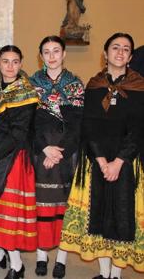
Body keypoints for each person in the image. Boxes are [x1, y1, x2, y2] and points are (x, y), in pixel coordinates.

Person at [60, 33, 144, 279]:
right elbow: (88, 126)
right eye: (115, 47)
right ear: (105, 54)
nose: (120, 52)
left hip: (127, 159)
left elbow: (139, 128)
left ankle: (116, 275)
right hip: (96, 159)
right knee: (98, 215)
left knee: (121, 215)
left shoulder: (140, 86)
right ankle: (104, 272)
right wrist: (100, 160)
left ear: (130, 57)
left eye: (126, 49)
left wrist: (119, 161)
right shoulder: (94, 84)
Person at [0, 45, 39, 279]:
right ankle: (0, 257)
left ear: (21, 63)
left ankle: (17, 265)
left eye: (15, 61)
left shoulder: (27, 92)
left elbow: (19, 132)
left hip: (13, 156)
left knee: (8, 211)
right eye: (5, 61)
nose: (10, 66)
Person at [29, 35, 84, 279]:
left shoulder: (75, 84)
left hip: (66, 153)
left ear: (64, 54)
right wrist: (44, 149)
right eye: (46, 52)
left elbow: (78, 125)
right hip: (39, 152)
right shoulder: (31, 84)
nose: (51, 56)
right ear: (41, 55)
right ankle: (42, 256)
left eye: (56, 51)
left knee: (64, 205)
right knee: (40, 204)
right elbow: (28, 122)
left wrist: (59, 151)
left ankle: (61, 258)